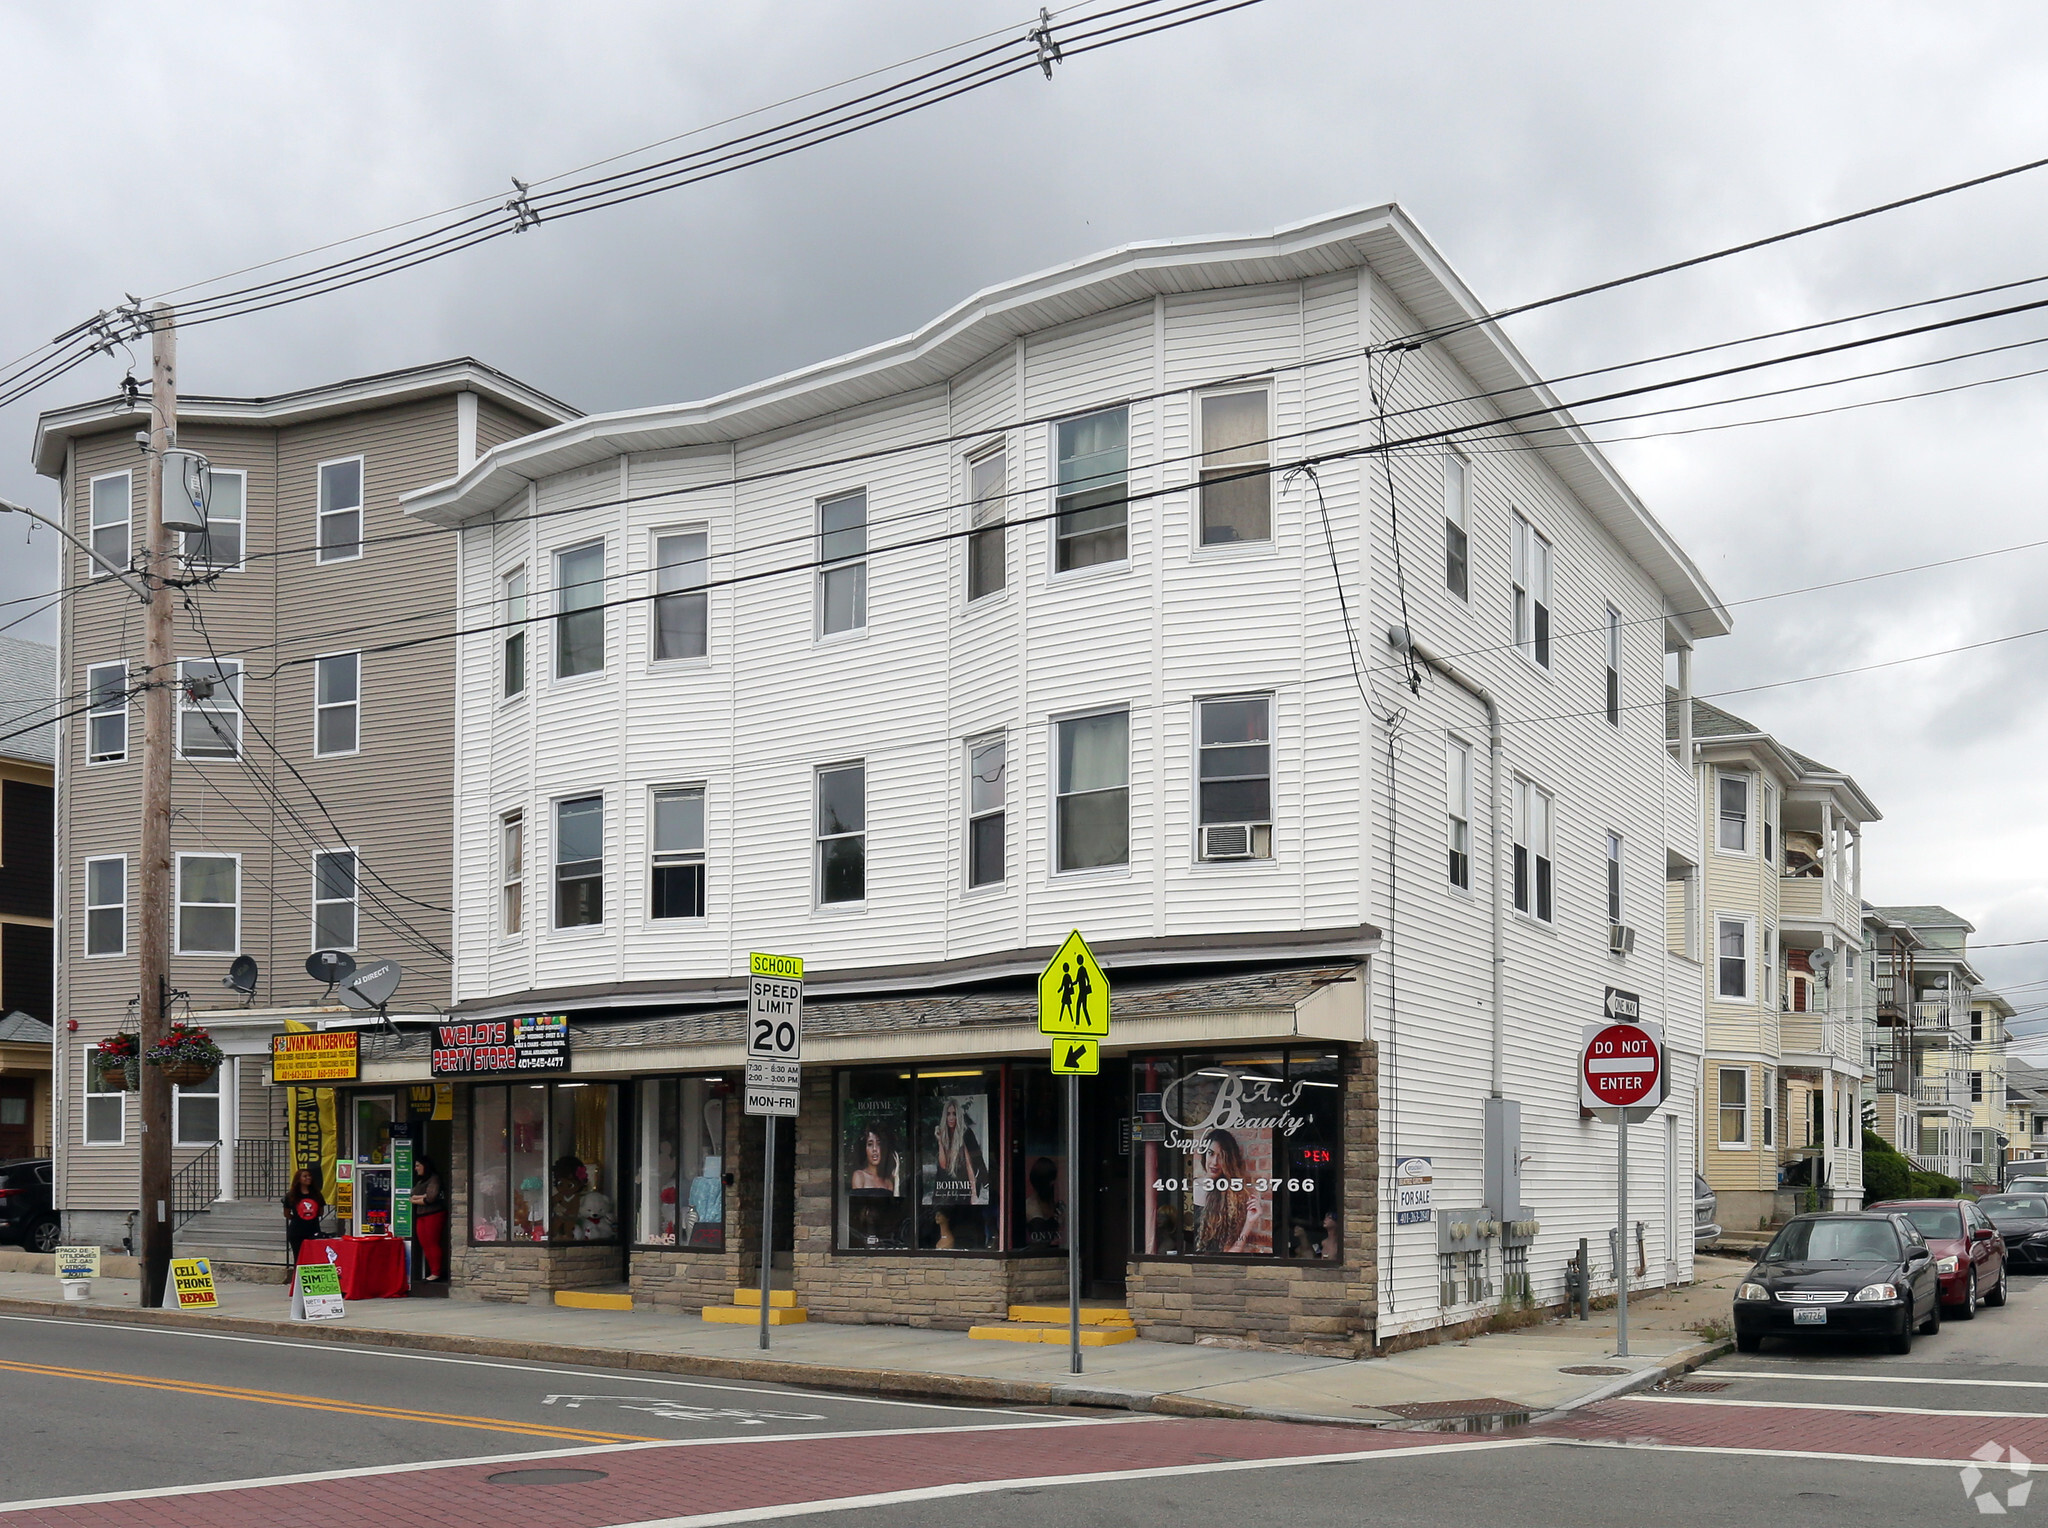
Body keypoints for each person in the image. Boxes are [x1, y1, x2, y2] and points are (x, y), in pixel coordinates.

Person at [1193, 1130, 1265, 1254]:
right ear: (1204, 1154)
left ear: (1229, 1160)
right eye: (1211, 1153)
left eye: (1221, 1156)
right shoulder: (1189, 1187)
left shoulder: (1230, 1198)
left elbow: (1231, 1252)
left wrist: (1249, 1222)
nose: (1215, 1162)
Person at [409, 1155, 448, 1281]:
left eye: (418, 1165)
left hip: (434, 1214)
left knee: (432, 1243)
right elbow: (412, 1195)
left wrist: (416, 1200)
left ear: (425, 1166)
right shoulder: (420, 1180)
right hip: (421, 1215)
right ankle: (432, 1270)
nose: (416, 1168)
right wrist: (420, 1198)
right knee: (424, 1243)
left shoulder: (434, 1179)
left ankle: (436, 1272)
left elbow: (431, 1198)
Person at [282, 1167, 325, 1263]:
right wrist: (298, 1218)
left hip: (313, 1230)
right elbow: (287, 1213)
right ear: (298, 1179)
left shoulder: (316, 1194)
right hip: (296, 1232)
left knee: (314, 1258)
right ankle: (297, 1277)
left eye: (309, 1176)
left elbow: (321, 1211)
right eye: (305, 1176)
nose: (308, 1178)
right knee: (298, 1258)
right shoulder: (291, 1195)